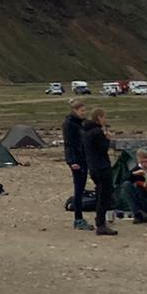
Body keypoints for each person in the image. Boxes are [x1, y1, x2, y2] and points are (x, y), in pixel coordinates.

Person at [82, 108, 116, 235]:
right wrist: (107, 139)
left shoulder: (86, 131)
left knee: (101, 194)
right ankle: (101, 224)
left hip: (93, 167)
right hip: (102, 167)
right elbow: (102, 149)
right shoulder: (97, 132)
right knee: (104, 195)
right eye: (104, 117)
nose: (105, 119)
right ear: (99, 118)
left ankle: (100, 221)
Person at [62, 98, 89, 230]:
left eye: (85, 110)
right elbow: (69, 144)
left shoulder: (81, 123)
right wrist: (72, 161)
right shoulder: (69, 124)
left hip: (84, 158)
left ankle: (80, 217)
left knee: (81, 187)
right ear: (75, 110)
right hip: (77, 160)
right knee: (78, 189)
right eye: (82, 111)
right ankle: (78, 218)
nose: (84, 113)